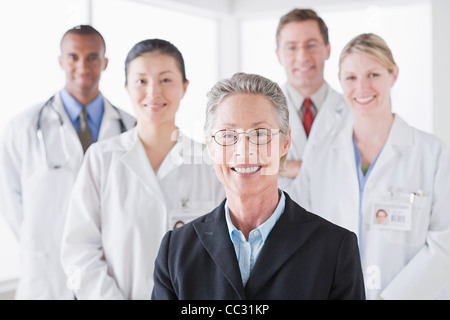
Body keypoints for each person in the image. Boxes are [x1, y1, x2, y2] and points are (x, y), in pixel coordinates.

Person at [152, 72, 365, 300]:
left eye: (260, 134)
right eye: (228, 135)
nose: (244, 151)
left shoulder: (335, 248)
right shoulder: (175, 251)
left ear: (285, 142)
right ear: (211, 146)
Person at [60, 39, 225, 300]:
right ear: (126, 88)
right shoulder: (102, 159)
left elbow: (225, 252)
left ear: (184, 87)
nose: (153, 92)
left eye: (166, 80)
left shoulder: (210, 162)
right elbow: (79, 250)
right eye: (141, 81)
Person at [295, 33, 450, 299]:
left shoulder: (432, 152)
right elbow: (300, 230)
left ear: (394, 75)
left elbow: (444, 243)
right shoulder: (320, 154)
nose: (362, 88)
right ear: (341, 83)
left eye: (374, 75)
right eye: (351, 78)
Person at [0, 25, 135, 300]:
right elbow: (12, 205)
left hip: (111, 273)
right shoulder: (22, 128)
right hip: (48, 273)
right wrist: (41, 241)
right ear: (61, 61)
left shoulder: (131, 128)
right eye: (73, 57)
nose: (82, 66)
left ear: (105, 62)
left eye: (92, 57)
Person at [275, 9, 348, 188]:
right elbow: (244, 164)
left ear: (327, 50)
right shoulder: (260, 111)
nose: (302, 57)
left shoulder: (351, 111)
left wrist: (279, 166)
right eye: (292, 47)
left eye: (311, 45)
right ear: (279, 55)